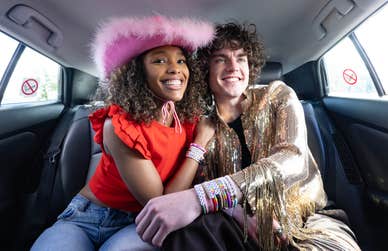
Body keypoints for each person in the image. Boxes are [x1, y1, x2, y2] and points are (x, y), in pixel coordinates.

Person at [135, 22, 361, 250]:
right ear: (205, 69)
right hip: (239, 225)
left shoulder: (277, 95)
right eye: (221, 59)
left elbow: (291, 158)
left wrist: (205, 196)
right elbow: (191, 190)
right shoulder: (199, 125)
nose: (233, 66)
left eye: (241, 58)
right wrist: (238, 212)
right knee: (185, 235)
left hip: (307, 220)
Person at [31, 15, 214, 251]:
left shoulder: (189, 120)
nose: (175, 70)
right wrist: (198, 146)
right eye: (159, 61)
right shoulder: (119, 125)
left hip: (141, 222)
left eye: (181, 61)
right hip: (87, 218)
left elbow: (161, 209)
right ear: (137, 73)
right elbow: (159, 201)